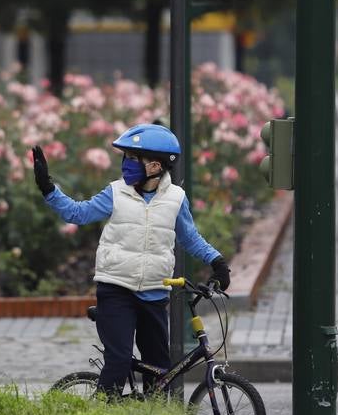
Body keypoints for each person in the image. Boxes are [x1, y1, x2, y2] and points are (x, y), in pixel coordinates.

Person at [31, 123, 230, 397]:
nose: (127, 164)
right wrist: (48, 188)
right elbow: (78, 213)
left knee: (159, 369)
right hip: (116, 290)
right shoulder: (115, 192)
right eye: (126, 157)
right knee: (119, 360)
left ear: (156, 166)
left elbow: (190, 238)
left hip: (154, 293)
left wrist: (218, 262)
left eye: (134, 158)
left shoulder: (175, 199)